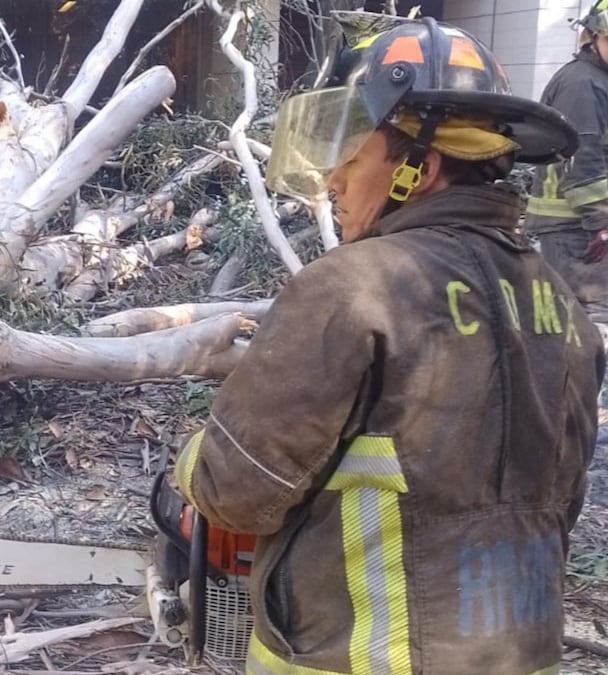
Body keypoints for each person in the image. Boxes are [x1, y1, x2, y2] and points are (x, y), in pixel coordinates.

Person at [173, 15, 606, 675]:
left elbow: (234, 489)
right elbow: (559, 501)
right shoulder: (562, 305)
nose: (335, 181)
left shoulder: (349, 289)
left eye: (351, 153)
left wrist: (191, 460)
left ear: (418, 166)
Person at [524, 1, 608, 322]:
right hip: (575, 229)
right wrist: (603, 224)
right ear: (593, 36)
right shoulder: (582, 84)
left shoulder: (599, 79)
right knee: (590, 317)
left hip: (583, 225)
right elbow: (583, 161)